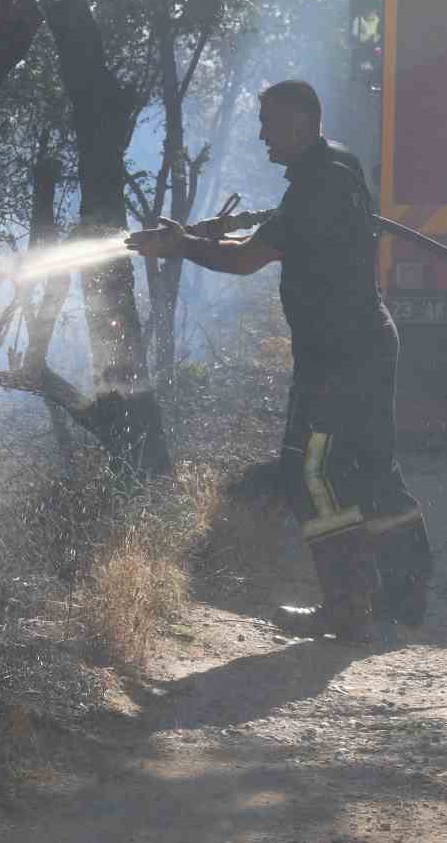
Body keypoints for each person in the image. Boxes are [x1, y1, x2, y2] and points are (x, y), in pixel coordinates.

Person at [126, 80, 431, 641]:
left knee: (313, 472)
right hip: (355, 346)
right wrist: (197, 236)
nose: (261, 133)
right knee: (367, 464)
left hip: (340, 356)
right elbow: (282, 234)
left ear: (300, 120)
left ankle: (350, 606)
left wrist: (183, 246)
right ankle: (404, 595)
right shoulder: (338, 165)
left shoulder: (318, 183)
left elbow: (247, 262)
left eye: (269, 121)